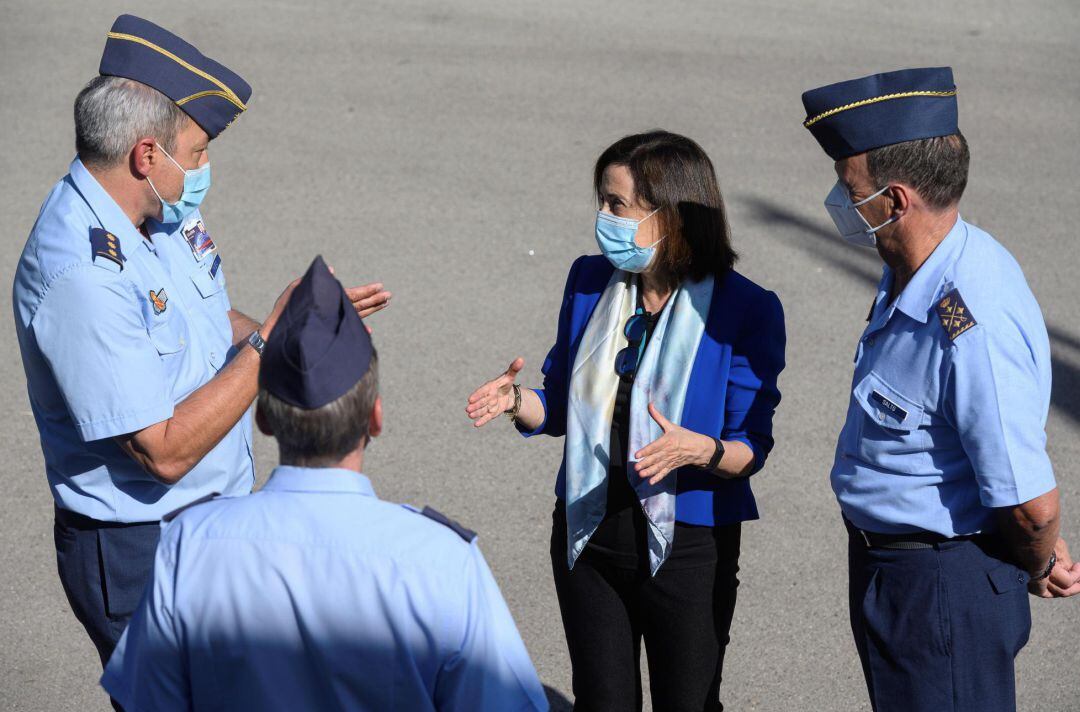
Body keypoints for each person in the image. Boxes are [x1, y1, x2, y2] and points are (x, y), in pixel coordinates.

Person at [11, 15, 391, 672]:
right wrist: (269, 343)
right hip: (142, 549)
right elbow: (162, 452)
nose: (205, 167)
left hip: (209, 523)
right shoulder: (80, 275)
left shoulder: (153, 210)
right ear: (146, 156)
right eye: (197, 152)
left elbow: (202, 321)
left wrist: (295, 324)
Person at [101, 256, 549, 712]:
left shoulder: (190, 546)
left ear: (263, 418)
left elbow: (150, 701)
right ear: (374, 419)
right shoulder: (444, 561)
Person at [467, 131, 786, 711]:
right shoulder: (590, 281)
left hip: (689, 544)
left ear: (672, 217)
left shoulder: (746, 308)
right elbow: (560, 403)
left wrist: (699, 450)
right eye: (602, 201)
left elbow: (750, 448)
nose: (603, 217)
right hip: (589, 531)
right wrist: (517, 401)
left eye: (617, 205)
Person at [800, 67, 1080, 712]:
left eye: (852, 190)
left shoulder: (969, 316)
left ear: (896, 201)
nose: (841, 202)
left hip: (938, 586)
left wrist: (1034, 561)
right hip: (896, 571)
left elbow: (1031, 506)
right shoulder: (914, 265)